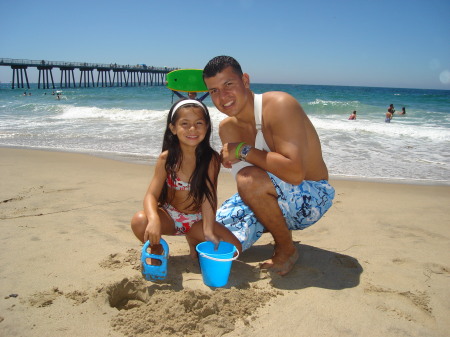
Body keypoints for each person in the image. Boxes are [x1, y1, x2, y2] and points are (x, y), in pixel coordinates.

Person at [203, 56, 335, 276]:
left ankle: (286, 248)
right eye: (214, 91)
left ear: (245, 80)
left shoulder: (280, 105)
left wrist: (243, 150)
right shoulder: (227, 128)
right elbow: (247, 184)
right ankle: (266, 228)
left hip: (311, 196)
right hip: (265, 196)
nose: (222, 96)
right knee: (215, 239)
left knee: (248, 180)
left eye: (228, 85)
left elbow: (294, 173)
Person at [130, 98, 242, 261]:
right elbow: (151, 195)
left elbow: (208, 197)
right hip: (169, 216)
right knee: (139, 221)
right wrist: (154, 219)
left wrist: (208, 230)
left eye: (199, 123)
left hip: (197, 220)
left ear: (207, 126)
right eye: (184, 124)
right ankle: (156, 248)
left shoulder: (210, 159)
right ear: (173, 128)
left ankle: (194, 239)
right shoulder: (166, 159)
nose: (192, 129)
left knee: (234, 250)